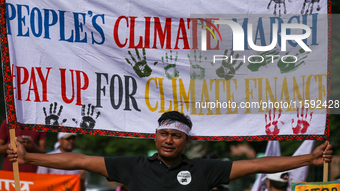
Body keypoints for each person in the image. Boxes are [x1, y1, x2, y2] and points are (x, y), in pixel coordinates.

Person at [7, 111, 333, 191]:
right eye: (163, 133)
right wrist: (29, 157)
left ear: (186, 142)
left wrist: (309, 158)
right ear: (154, 137)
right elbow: (78, 159)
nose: (168, 140)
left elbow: (262, 166)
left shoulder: (206, 171)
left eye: (176, 136)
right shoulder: (131, 166)